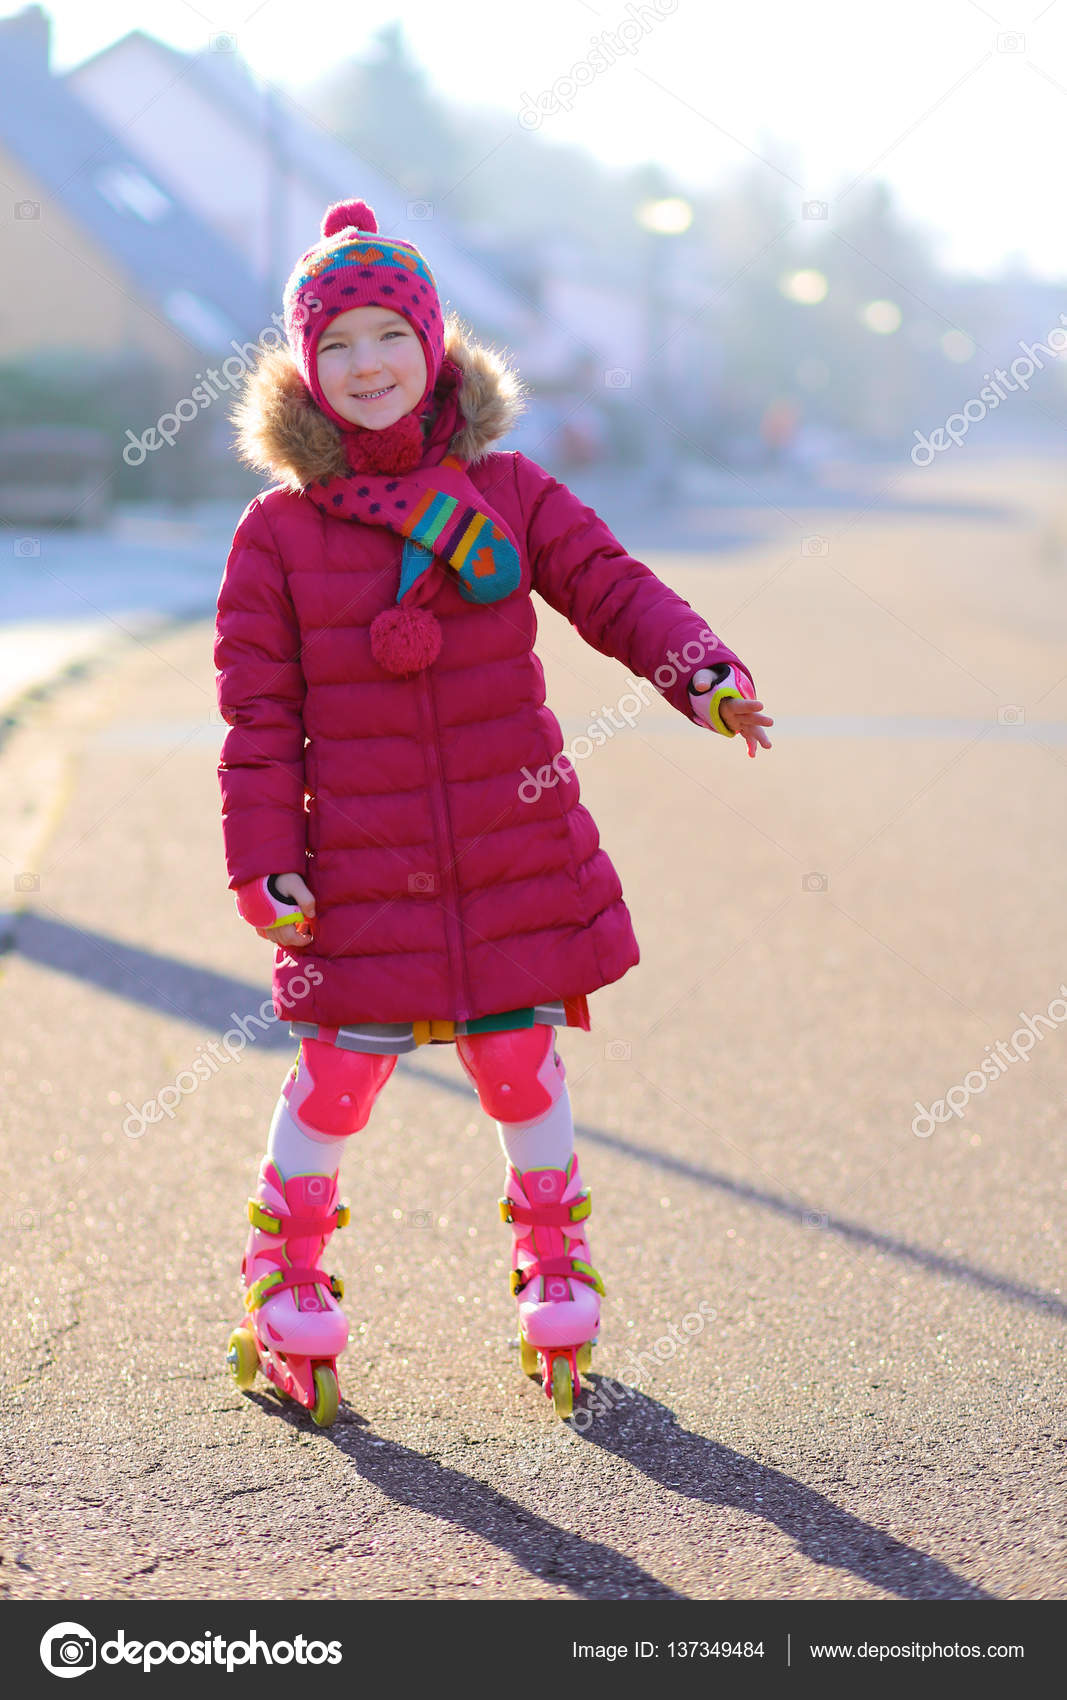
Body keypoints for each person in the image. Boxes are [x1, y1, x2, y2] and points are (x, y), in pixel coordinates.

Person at [215, 197, 773, 1425]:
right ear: (309, 368)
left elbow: (611, 589)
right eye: (339, 345)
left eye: (387, 338)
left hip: (503, 841)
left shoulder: (509, 490)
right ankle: (283, 1268)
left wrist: (702, 672)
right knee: (340, 1070)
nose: (367, 367)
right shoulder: (276, 534)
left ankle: (551, 1253)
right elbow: (255, 720)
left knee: (516, 1056)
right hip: (356, 857)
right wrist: (264, 861)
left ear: (433, 346)